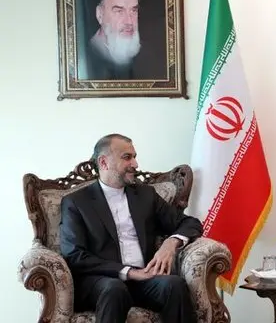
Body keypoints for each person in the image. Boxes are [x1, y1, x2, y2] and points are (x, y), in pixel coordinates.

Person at [59, 134, 202, 323]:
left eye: (134, 157)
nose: (135, 164)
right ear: (103, 162)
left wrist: (171, 243)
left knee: (174, 285)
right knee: (115, 289)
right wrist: (128, 272)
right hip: (101, 281)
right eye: (127, 157)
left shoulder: (145, 195)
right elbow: (74, 255)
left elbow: (190, 223)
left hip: (145, 278)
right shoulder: (76, 202)